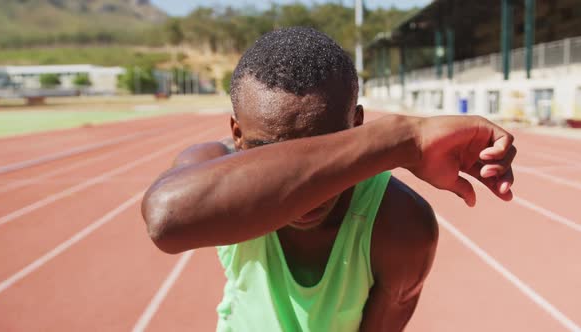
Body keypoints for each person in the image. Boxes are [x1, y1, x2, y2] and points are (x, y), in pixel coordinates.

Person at [141, 27, 516, 331]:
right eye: (266, 151)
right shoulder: (215, 167)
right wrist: (403, 139)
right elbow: (166, 218)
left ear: (357, 127)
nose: (304, 193)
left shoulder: (400, 224)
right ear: (236, 134)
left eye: (323, 147)